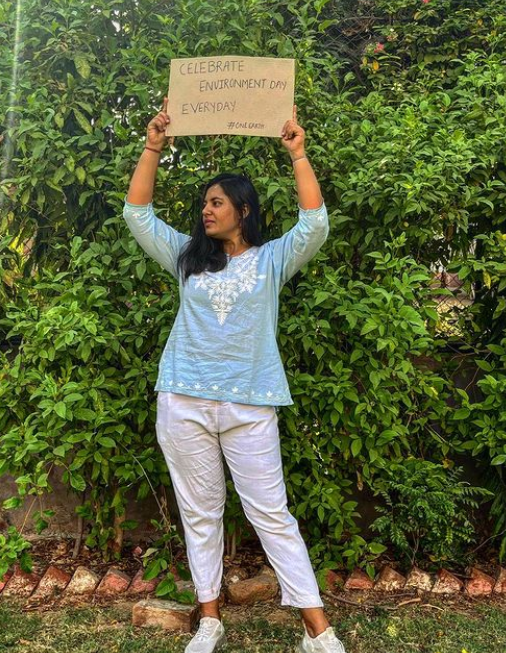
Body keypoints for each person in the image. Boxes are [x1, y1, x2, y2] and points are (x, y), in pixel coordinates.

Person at [123, 98, 347, 653]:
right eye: (204, 203)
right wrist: (153, 145)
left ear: (243, 210)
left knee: (272, 514)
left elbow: (315, 223)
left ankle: (318, 633)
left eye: (217, 203)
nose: (206, 211)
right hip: (183, 401)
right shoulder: (185, 257)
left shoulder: (272, 260)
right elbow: (137, 215)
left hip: (250, 404)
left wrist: (297, 153)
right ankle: (209, 623)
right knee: (200, 515)